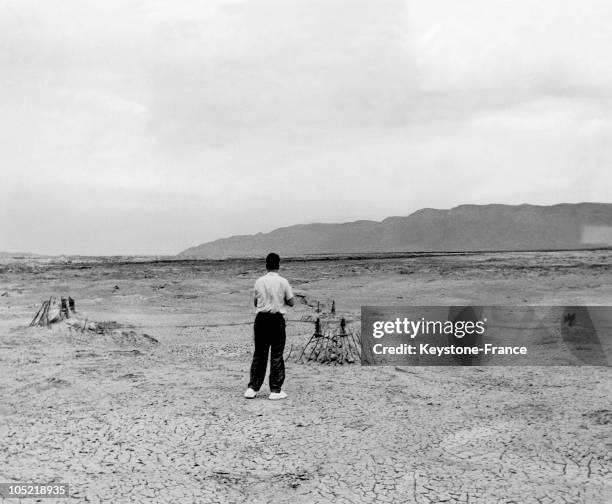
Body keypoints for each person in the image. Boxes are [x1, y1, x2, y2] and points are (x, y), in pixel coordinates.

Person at [244, 253, 294, 400]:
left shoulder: (259, 281)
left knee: (259, 354)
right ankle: (275, 390)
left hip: (261, 320)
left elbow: (255, 302)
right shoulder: (283, 282)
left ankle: (253, 388)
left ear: (266, 265)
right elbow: (291, 302)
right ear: (278, 265)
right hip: (276, 319)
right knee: (277, 355)